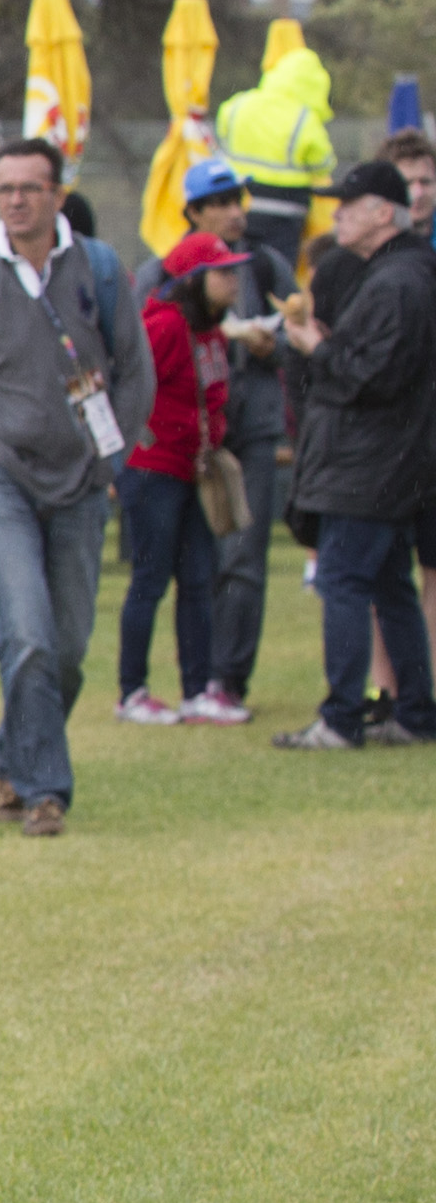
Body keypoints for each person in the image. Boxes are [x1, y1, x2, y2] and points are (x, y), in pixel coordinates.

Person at [0, 138, 152, 837]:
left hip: (80, 479)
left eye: (28, 188)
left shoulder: (100, 270)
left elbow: (136, 373)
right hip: (1, 481)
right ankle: (46, 793)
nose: (15, 200)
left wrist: (110, 459)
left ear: (57, 195)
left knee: (66, 647)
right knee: (28, 635)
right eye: (5, 188)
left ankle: (12, 760)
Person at [271, 161, 436, 750]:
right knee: (390, 585)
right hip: (392, 459)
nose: (335, 213)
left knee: (341, 581)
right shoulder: (401, 273)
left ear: (383, 212)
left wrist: (315, 347)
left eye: (348, 203)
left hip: (369, 462)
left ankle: (340, 718)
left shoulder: (397, 283)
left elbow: (374, 377)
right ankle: (415, 713)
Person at [114, 234, 237, 726]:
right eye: (223, 272)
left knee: (198, 578)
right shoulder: (164, 326)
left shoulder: (212, 330)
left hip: (193, 469)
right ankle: (132, 692)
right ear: (194, 280)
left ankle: (197, 690)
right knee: (150, 579)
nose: (233, 281)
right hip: (154, 470)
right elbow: (130, 388)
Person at [191, 164, 292, 723]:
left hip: (251, 429)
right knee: (197, 555)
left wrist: (272, 348)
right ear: (194, 212)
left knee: (244, 553)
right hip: (191, 431)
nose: (235, 212)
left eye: (239, 201)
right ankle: (193, 676)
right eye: (221, 202)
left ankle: (228, 678)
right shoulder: (171, 268)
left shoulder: (266, 265)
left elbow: (301, 332)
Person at [214, 43, 337, 275]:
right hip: (286, 210)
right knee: (278, 273)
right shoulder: (304, 118)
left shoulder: (238, 104)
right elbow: (323, 164)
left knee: (238, 270)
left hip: (239, 202)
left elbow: (221, 133)